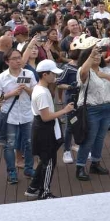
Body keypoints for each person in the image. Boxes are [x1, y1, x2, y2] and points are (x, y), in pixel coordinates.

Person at [26, 59, 74, 200]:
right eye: (53, 74)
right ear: (45, 74)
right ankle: (44, 192)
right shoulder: (41, 92)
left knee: (45, 160)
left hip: (42, 127)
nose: (55, 77)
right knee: (49, 162)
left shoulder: (39, 88)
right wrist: (65, 110)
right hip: (44, 129)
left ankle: (33, 187)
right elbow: (46, 117)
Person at [0, 49, 37, 184]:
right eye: (15, 58)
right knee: (9, 145)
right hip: (10, 115)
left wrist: (27, 89)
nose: (18, 60)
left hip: (27, 113)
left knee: (29, 143)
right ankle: (11, 171)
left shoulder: (28, 73)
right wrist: (11, 93)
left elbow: (36, 92)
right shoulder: (0, 78)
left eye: (20, 57)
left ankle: (28, 168)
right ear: (7, 61)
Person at [75, 43, 110, 181]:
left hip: (107, 108)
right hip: (91, 109)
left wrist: (103, 75)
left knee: (100, 138)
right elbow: (83, 74)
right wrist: (91, 55)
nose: (97, 56)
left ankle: (95, 163)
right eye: (93, 54)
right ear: (87, 56)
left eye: (99, 54)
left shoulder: (107, 70)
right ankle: (80, 166)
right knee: (89, 138)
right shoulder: (84, 70)